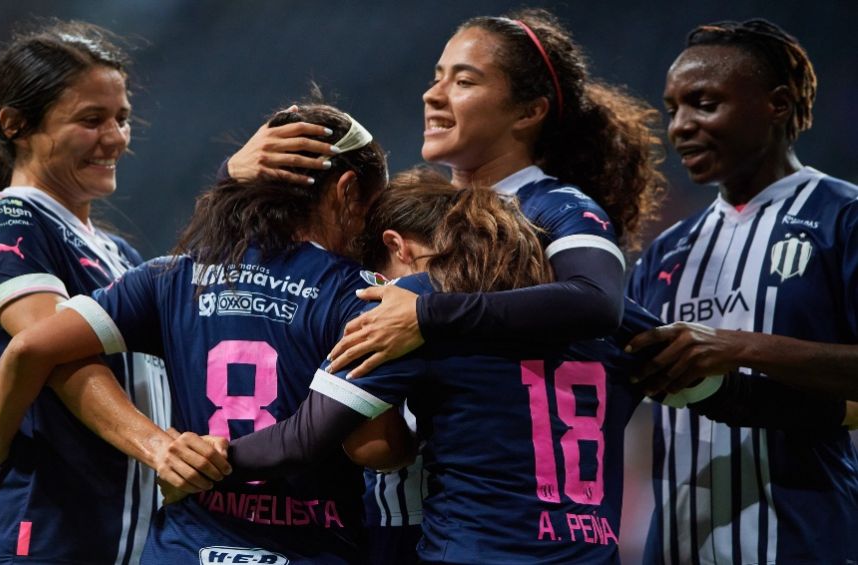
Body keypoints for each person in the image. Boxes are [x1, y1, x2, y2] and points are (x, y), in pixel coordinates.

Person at [218, 170, 854, 564]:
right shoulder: (615, 325)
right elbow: (740, 401)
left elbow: (301, 442)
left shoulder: (413, 316)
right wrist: (841, 410)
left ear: (399, 248)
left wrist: (196, 459)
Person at [223, 9, 667, 561]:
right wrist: (233, 180)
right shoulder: (420, 213)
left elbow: (598, 303)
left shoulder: (553, 212)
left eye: (464, 80)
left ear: (529, 111)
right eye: (437, 77)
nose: (433, 95)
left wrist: (425, 313)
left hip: (467, 526)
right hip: (416, 520)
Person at [0, 103, 390, 564]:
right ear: (348, 191)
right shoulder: (360, 295)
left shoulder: (171, 277)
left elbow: (30, 347)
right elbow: (377, 447)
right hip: (308, 549)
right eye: (376, 209)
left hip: (184, 549)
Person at [0, 20, 193, 564]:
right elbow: (49, 347)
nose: (116, 137)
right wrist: (158, 446)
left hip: (116, 542)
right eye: (91, 120)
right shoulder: (6, 221)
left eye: (121, 118)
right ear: (15, 124)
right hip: (39, 537)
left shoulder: (120, 254)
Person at [624, 19, 858, 564]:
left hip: (807, 542)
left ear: (777, 105)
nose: (680, 126)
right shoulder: (666, 252)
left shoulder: (842, 218)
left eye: (704, 104)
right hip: (676, 546)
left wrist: (738, 347)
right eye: (673, 110)